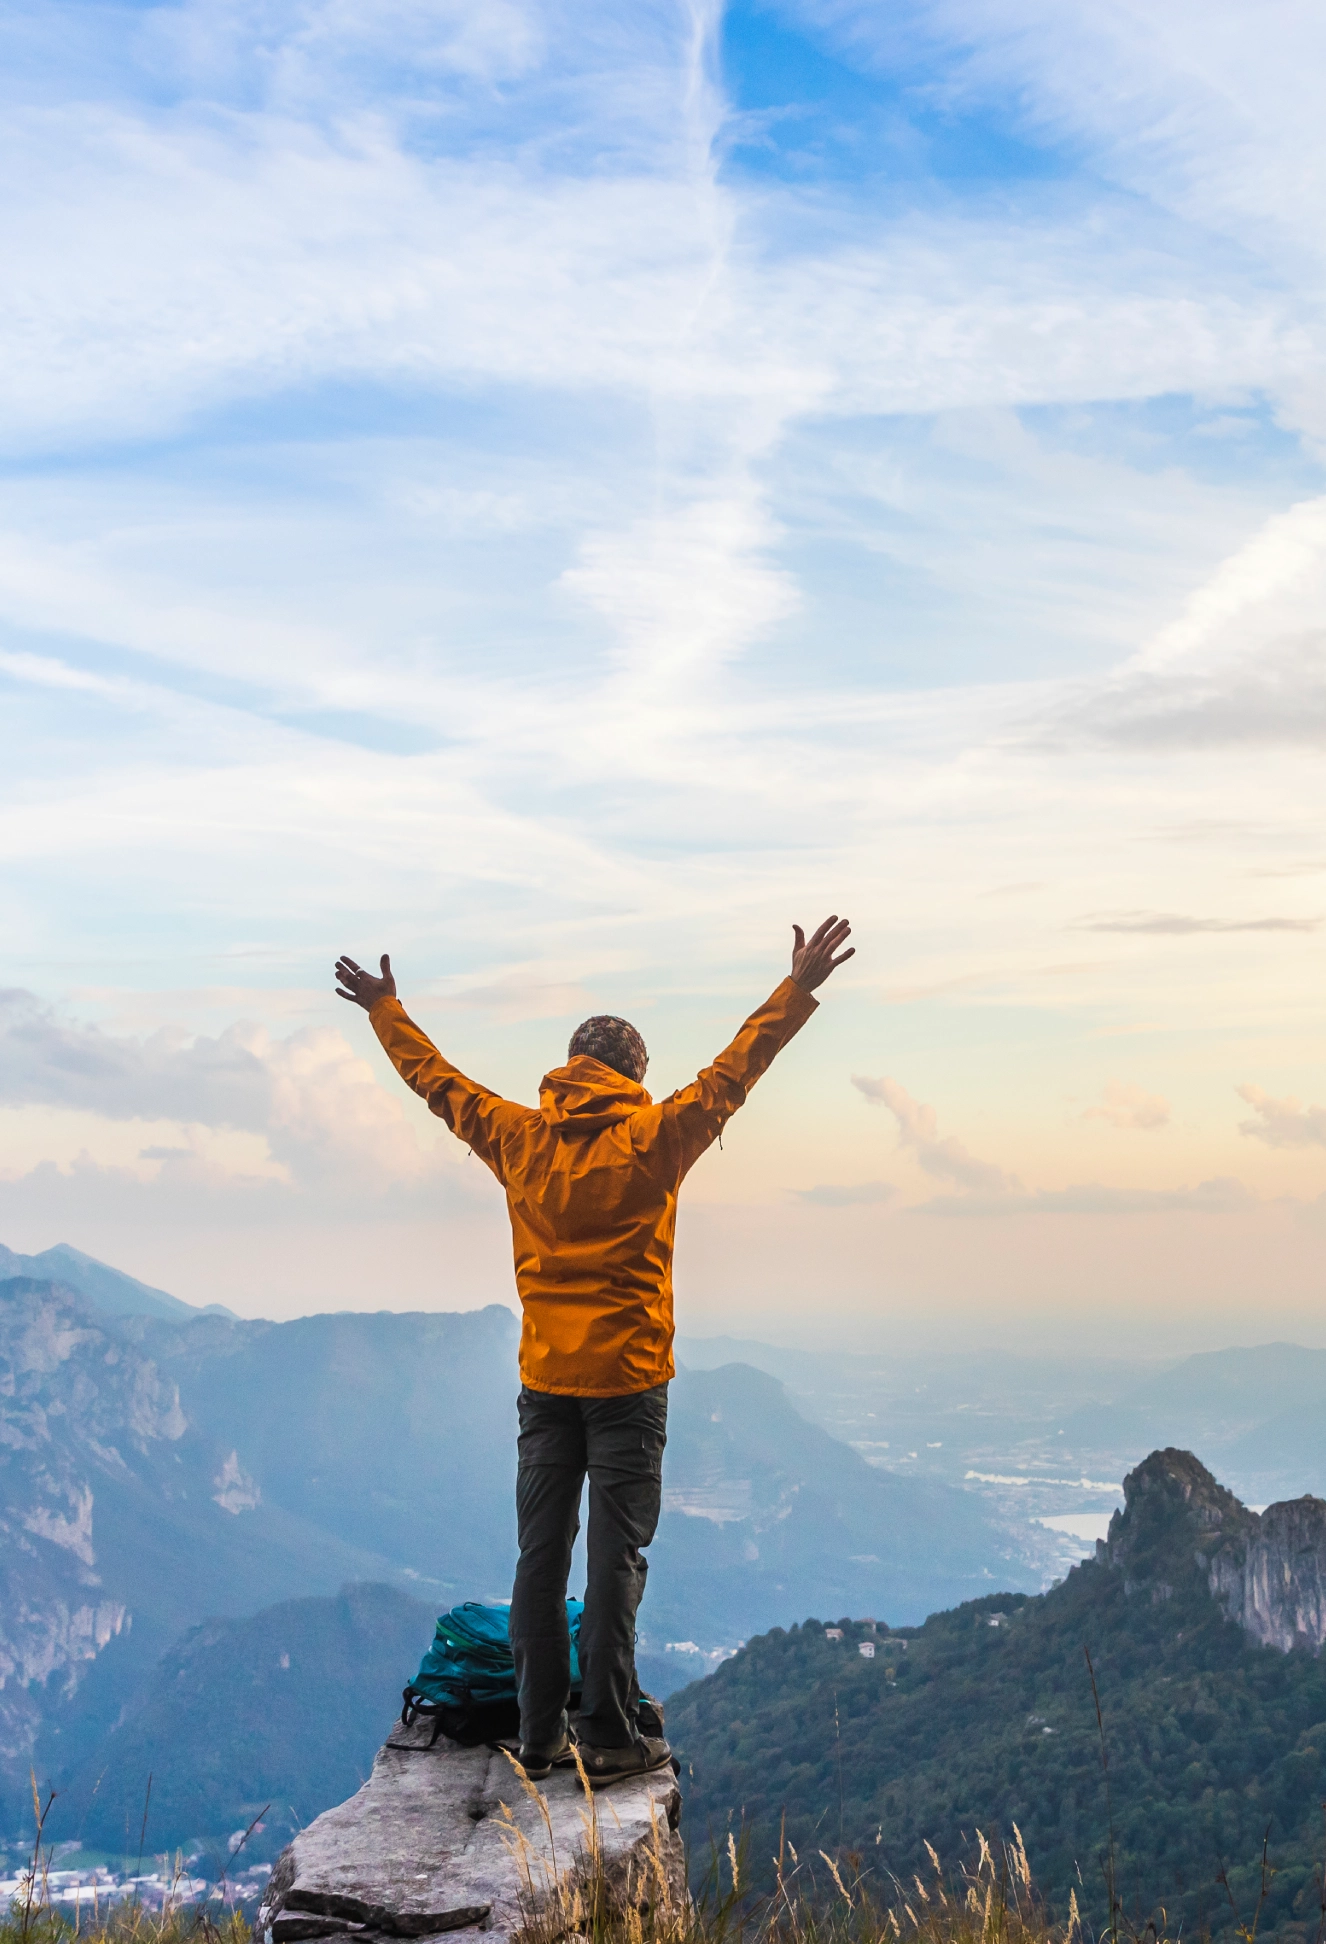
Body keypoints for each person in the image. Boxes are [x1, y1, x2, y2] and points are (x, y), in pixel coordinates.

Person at [333, 916, 854, 1786]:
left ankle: (538, 1736)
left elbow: (439, 1083)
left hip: (545, 1382)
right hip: (628, 1384)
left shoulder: (519, 1137)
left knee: (540, 1555)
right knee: (615, 1557)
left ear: (571, 1069)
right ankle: (608, 1734)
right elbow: (737, 1068)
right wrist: (797, 987)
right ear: (633, 1076)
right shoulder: (656, 1137)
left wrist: (386, 1009)